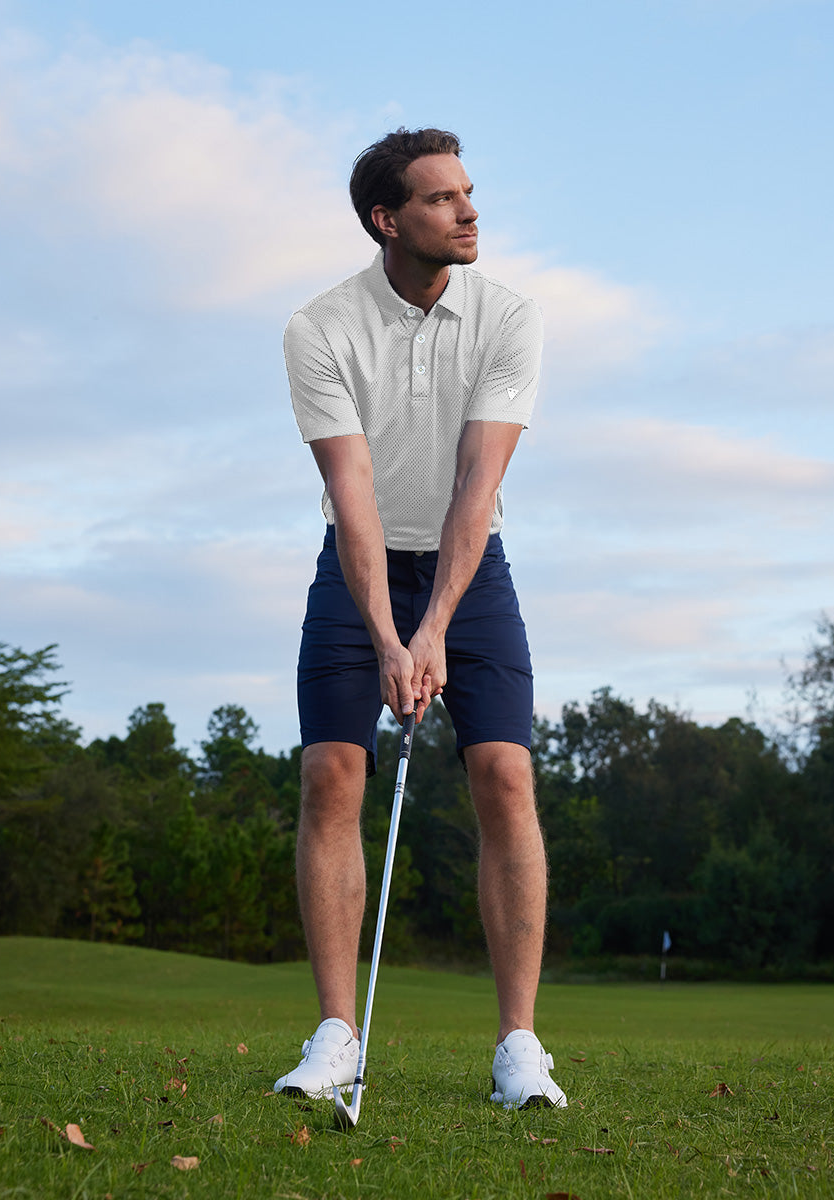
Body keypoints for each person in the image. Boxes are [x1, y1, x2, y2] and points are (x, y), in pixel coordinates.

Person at [274, 127, 566, 1111]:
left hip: (470, 570)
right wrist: (388, 636)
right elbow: (352, 494)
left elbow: (477, 484)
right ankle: (335, 1036)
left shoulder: (509, 317)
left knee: (505, 774)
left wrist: (433, 626)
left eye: (468, 192)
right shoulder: (321, 328)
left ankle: (519, 1048)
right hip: (357, 567)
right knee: (330, 772)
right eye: (442, 199)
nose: (469, 211)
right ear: (387, 220)